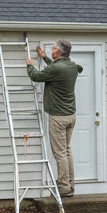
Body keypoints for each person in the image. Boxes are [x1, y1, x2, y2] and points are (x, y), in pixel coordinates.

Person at [24, 39, 83, 197]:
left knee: (60, 153)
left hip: (58, 117)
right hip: (71, 115)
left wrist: (30, 64)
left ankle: (63, 188)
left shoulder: (58, 68)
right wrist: (43, 57)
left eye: (53, 48)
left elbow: (36, 76)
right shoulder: (71, 66)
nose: (51, 50)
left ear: (58, 52)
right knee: (67, 150)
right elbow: (55, 68)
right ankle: (70, 185)